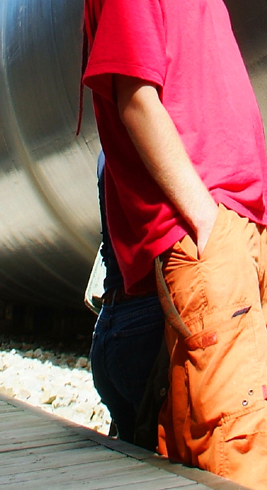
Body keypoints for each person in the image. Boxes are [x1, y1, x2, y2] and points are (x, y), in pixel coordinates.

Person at [83, 0, 267, 490]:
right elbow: (134, 98)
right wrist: (205, 218)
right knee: (239, 456)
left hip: (241, 228)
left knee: (249, 443)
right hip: (208, 228)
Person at [89, 151, 165, 444]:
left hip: (109, 323)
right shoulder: (149, 136)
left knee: (131, 448)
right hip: (144, 319)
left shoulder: (105, 154)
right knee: (157, 455)